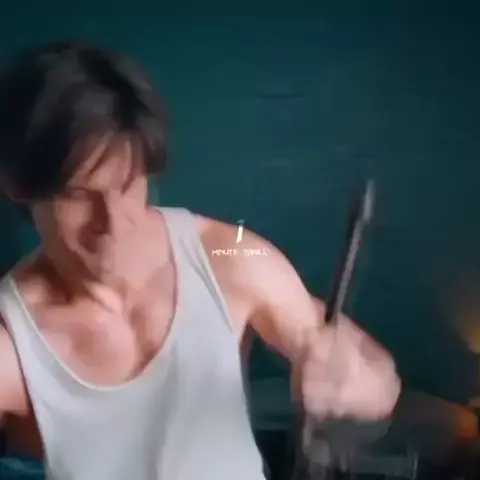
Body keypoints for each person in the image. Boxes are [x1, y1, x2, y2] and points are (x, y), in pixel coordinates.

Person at [0, 41, 400, 480]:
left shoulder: (227, 252)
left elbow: (378, 381)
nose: (113, 225)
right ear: (18, 186)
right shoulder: (10, 340)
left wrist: (358, 380)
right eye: (79, 196)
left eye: (129, 185)